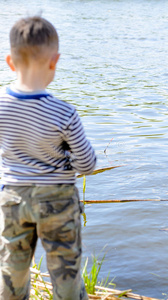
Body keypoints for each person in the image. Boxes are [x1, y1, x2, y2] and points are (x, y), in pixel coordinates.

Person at [0, 16, 96, 300]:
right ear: (54, 61)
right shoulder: (64, 113)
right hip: (57, 200)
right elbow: (88, 164)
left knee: (11, 271)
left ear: (10, 61)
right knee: (65, 271)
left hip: (13, 197)